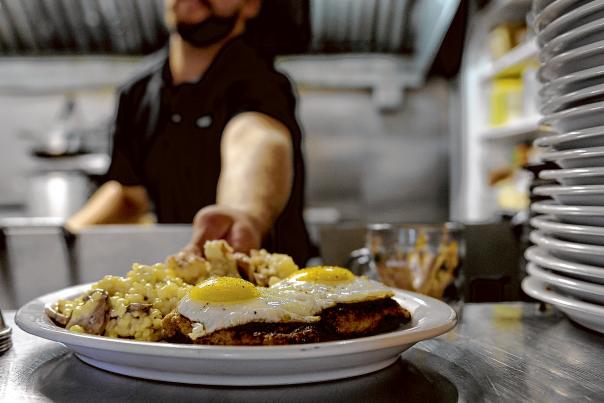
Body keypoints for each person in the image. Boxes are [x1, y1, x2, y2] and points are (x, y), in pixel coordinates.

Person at [66, 0, 314, 265]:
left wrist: (241, 214)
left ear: (251, 4)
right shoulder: (136, 92)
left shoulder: (260, 79)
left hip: (270, 286)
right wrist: (62, 235)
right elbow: (129, 195)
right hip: (184, 278)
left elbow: (257, 137)